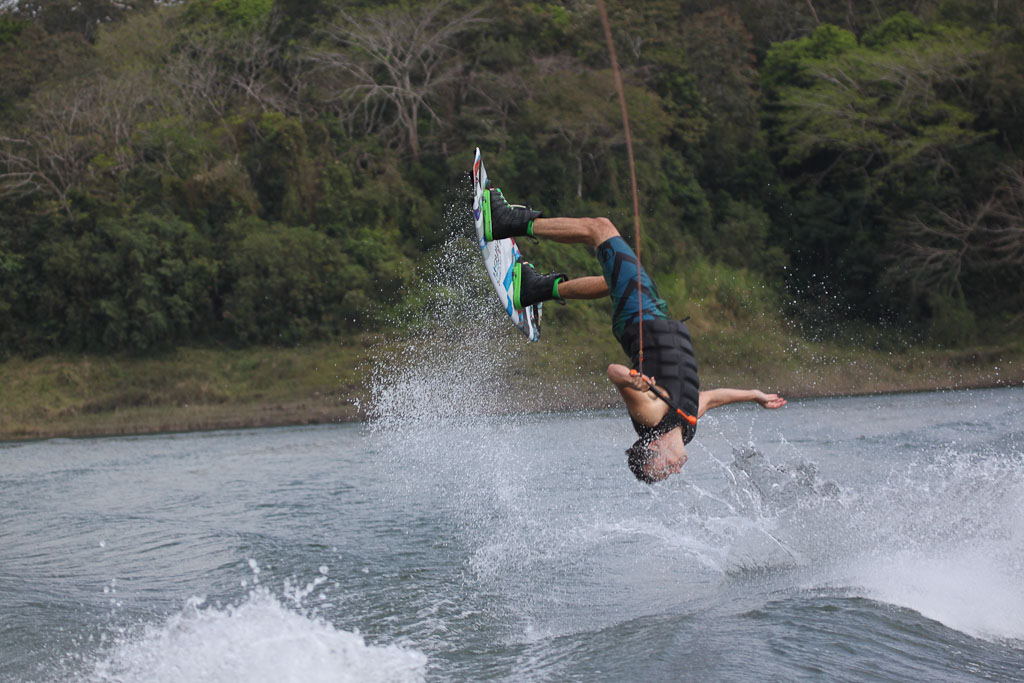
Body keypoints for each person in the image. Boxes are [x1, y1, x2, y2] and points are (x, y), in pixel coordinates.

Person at [482, 187, 787, 483]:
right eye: (668, 473)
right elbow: (709, 398)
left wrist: (631, 379)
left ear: (654, 447)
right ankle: (534, 289)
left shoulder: (650, 414)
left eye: (665, 468)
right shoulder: (687, 427)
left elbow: (614, 372)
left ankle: (506, 222)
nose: (676, 470)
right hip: (654, 313)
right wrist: (754, 395)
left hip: (639, 318)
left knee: (600, 228)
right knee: (612, 280)